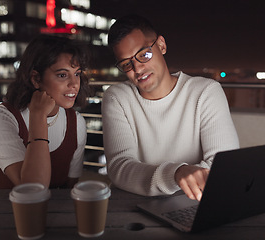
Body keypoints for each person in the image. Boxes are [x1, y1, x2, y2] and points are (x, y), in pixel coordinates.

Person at [102, 14, 240, 201]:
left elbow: (224, 166)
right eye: (127, 64)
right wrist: (176, 173)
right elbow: (120, 167)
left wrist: (178, 176)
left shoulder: (205, 91)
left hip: (196, 202)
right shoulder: (117, 98)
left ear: (161, 45)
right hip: (134, 204)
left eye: (144, 54)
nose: (138, 69)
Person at [0, 35, 89, 189]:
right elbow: (32, 189)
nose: (74, 84)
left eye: (77, 74)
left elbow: (69, 187)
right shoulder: (0, 118)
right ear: (36, 78)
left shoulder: (76, 122)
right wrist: (38, 115)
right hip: (2, 212)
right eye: (62, 75)